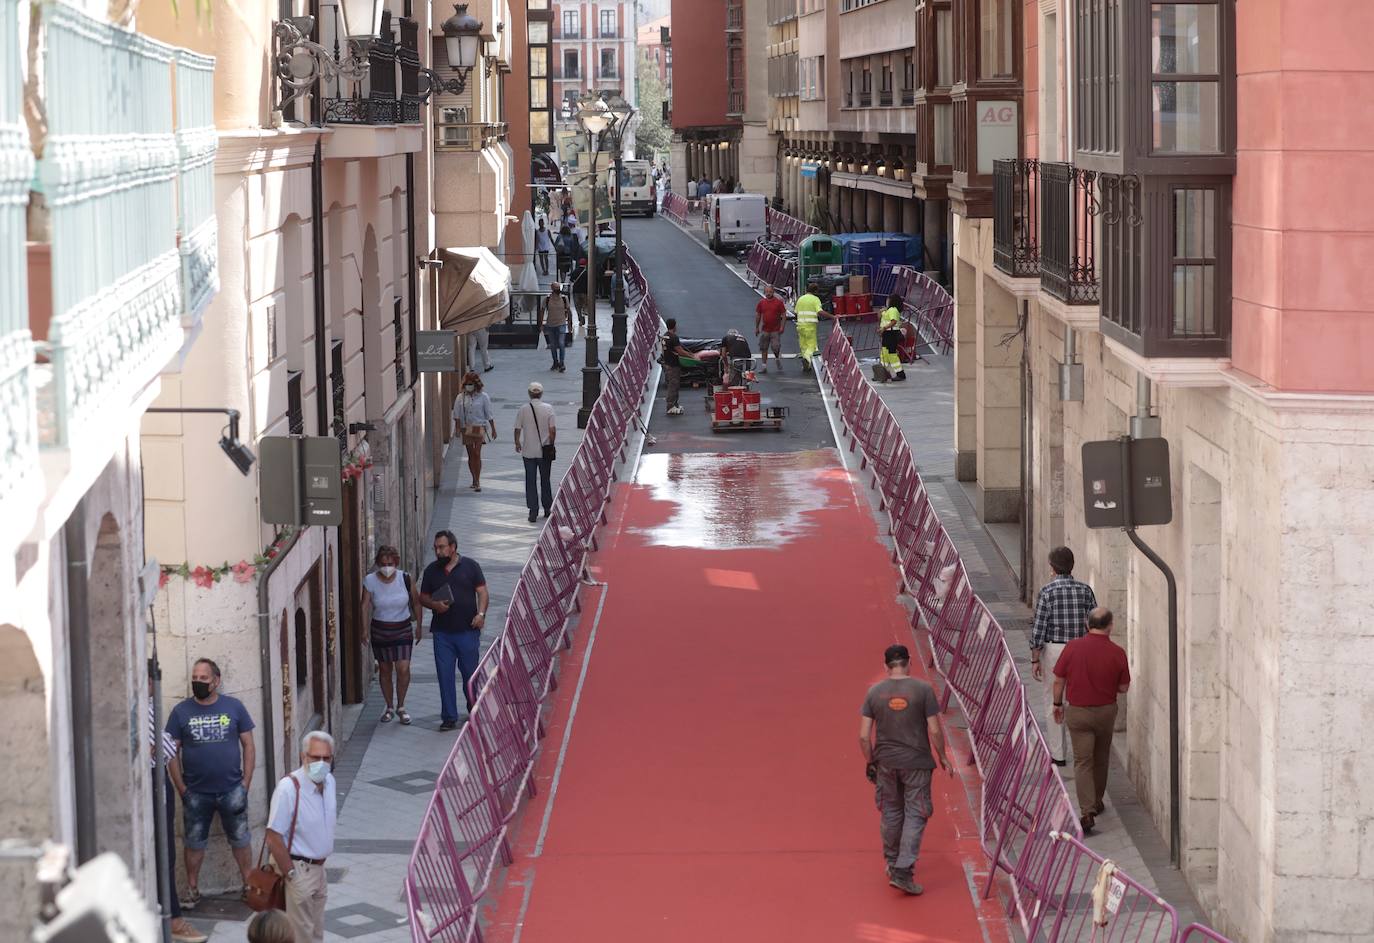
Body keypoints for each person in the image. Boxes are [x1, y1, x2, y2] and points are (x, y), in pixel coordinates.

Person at [859, 644, 953, 896]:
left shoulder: (874, 693)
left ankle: (892, 863)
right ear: (909, 662)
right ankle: (903, 870)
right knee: (915, 813)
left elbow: (864, 737)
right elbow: (934, 729)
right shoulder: (923, 690)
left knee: (890, 811)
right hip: (917, 763)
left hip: (886, 762)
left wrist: (871, 761)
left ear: (886, 666)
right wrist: (942, 756)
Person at [165, 658, 256, 908]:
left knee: (240, 838)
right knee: (194, 843)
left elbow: (248, 745)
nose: (198, 682)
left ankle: (248, 884)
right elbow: (170, 751)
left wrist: (246, 783)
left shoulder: (234, 707)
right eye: (195, 677)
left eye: (204, 678)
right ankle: (192, 888)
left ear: (216, 681)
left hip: (232, 790)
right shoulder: (180, 712)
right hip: (196, 794)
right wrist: (181, 787)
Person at [1053, 608, 1130, 835]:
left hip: (1078, 711)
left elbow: (1059, 680)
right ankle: (1096, 800)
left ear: (1087, 625)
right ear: (1110, 626)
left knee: (1082, 760)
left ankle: (1087, 811)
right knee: (1101, 756)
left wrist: (1057, 705)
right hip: (1106, 711)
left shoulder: (1073, 647)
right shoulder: (1118, 652)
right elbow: (1124, 687)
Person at [148, 679, 208, 943]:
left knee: (166, 853)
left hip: (157, 780)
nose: (152, 683)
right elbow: (169, 748)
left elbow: (163, 748)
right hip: (151, 783)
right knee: (164, 853)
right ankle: (172, 919)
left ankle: (170, 915)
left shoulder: (149, 706)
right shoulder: (144, 707)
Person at [264, 731, 337, 943]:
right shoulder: (288, 788)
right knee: (300, 936)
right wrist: (292, 875)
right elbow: (273, 836)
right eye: (315, 757)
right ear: (303, 757)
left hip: (319, 870)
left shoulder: (330, 782)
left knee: (316, 933)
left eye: (326, 758)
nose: (321, 763)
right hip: (299, 871)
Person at [1030, 546, 1098, 766]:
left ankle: (1058, 754)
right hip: (1081, 648)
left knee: (1053, 700)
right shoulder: (1085, 591)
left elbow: (1039, 628)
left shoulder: (1047, 592)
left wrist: (1034, 658)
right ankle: (1084, 751)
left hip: (1055, 650)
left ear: (1052, 568)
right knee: (1080, 699)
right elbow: (1094, 623)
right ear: (1072, 566)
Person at [419, 531, 489, 729]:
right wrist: (435, 605)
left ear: (453, 547)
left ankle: (473, 707)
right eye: (435, 548)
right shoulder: (431, 571)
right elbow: (423, 597)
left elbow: (482, 593)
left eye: (441, 547)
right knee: (445, 674)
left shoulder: (470, 566)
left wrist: (481, 615)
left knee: (470, 673)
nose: (438, 552)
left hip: (467, 631)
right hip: (442, 633)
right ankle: (449, 717)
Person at [361, 545, 422, 725]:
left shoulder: (405, 578)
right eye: (383, 564)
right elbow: (364, 605)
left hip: (402, 629)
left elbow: (417, 602)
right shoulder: (370, 581)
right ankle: (389, 706)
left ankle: (401, 706)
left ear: (396, 562)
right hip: (380, 630)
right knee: (385, 670)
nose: (387, 567)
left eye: (390, 563)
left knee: (403, 668)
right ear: (378, 564)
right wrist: (364, 629)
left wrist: (419, 625)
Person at [514, 381, 557, 523]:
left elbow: (517, 428)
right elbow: (552, 430)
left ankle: (533, 511)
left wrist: (517, 442)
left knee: (530, 481)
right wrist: (551, 443)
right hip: (544, 452)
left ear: (529, 394)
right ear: (541, 394)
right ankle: (547, 508)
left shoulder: (523, 409)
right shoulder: (548, 408)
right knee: (545, 480)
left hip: (528, 451)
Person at [453, 371, 497, 491]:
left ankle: (477, 481)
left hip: (479, 427)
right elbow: (456, 414)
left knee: (477, 453)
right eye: (467, 384)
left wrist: (493, 429)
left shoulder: (484, 397)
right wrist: (457, 428)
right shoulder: (460, 397)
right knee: (470, 454)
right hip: (466, 428)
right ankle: (473, 478)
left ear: (476, 384)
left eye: (471, 384)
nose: (469, 386)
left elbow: (489, 414)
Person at [660, 318, 698, 416]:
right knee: (673, 385)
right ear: (674, 326)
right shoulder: (673, 337)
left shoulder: (665, 336)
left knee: (674, 384)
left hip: (668, 363)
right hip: (673, 364)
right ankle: (670, 406)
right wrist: (692, 356)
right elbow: (680, 351)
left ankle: (675, 404)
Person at [754, 284, 787, 373]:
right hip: (765, 329)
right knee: (763, 347)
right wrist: (757, 327)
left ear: (773, 292)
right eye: (767, 292)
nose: (768, 293)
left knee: (775, 347)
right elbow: (758, 315)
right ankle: (764, 366)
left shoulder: (778, 303)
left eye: (770, 292)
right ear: (764, 292)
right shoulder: (761, 303)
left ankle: (777, 358)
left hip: (775, 330)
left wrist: (782, 327)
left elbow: (784, 315)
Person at [794, 282, 825, 371]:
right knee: (812, 346)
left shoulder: (800, 299)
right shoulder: (815, 299)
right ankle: (807, 359)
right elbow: (819, 311)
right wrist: (832, 316)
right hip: (810, 326)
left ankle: (807, 366)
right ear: (815, 291)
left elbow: (796, 312)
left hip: (800, 326)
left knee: (803, 346)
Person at [878, 292, 907, 382]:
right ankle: (882, 373)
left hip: (891, 334)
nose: (887, 301)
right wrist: (881, 312)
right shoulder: (888, 310)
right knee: (884, 354)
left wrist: (884, 328)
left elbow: (893, 321)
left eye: (888, 300)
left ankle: (900, 374)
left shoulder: (893, 310)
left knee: (891, 354)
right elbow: (880, 318)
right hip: (887, 334)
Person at [545, 283, 570, 372]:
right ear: (552, 288)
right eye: (556, 288)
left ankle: (562, 362)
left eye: (558, 288)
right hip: (551, 324)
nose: (558, 289)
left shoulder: (564, 298)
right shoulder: (547, 299)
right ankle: (555, 362)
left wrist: (569, 323)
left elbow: (568, 310)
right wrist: (541, 324)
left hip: (561, 324)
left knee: (561, 343)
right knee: (553, 345)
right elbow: (542, 310)